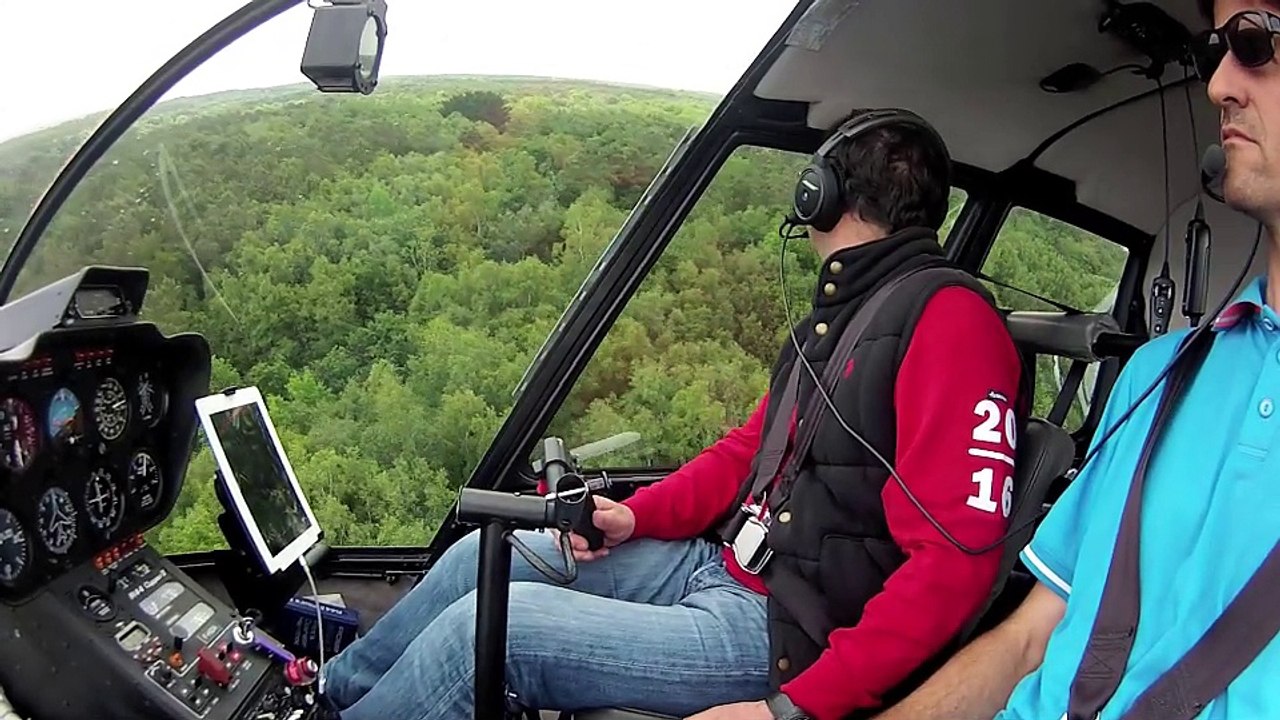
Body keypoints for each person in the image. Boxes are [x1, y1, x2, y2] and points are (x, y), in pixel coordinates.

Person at [317, 109, 1025, 720]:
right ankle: (327, 695)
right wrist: (638, 514)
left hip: (784, 637)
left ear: (823, 193)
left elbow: (954, 565)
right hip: (719, 566)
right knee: (487, 556)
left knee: (491, 629)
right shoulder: (847, 314)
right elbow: (752, 449)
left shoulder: (951, 323)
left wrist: (795, 706)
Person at [873, 2, 1280, 719]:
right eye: (1218, 48)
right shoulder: (1158, 374)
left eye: (1256, 41)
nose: (1218, 85)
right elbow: (1033, 637)